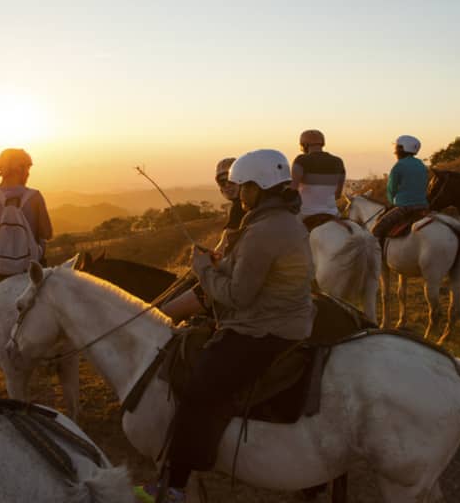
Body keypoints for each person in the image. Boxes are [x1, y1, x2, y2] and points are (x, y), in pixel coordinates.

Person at [136, 149, 315, 503]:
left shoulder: (263, 230)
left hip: (263, 330)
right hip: (288, 318)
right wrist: (223, 262)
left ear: (258, 187)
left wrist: (203, 269)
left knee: (196, 391)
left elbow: (238, 297)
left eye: (243, 187)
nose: (239, 195)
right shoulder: (283, 221)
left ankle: (173, 486)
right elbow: (255, 272)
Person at [160, 157, 243, 322]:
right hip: (237, 275)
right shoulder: (246, 207)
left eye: (230, 179)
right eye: (221, 181)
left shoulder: (239, 209)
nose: (226, 184)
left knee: (163, 315)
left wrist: (202, 262)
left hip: (230, 282)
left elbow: (223, 251)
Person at [0, 148, 53, 277]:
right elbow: (47, 233)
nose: (28, 173)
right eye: (26, 168)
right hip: (31, 271)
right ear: (19, 169)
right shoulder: (35, 197)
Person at [371, 135, 429, 246]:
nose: (395, 152)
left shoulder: (399, 166)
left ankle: (377, 256)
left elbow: (391, 188)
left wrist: (392, 202)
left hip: (404, 207)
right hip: (423, 207)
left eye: (397, 148)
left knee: (376, 231)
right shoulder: (421, 165)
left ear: (403, 148)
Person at [290, 129, 346, 231]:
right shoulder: (338, 161)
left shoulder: (301, 160)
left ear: (305, 145)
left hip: (306, 214)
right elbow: (337, 195)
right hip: (333, 213)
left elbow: (293, 190)